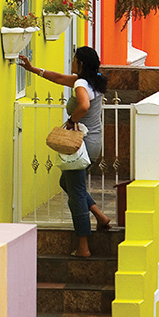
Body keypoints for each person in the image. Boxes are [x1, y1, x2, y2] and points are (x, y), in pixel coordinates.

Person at [19, 46, 112, 256]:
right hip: (94, 142)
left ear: (80, 64)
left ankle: (83, 246)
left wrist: (71, 121)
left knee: (76, 193)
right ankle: (100, 215)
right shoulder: (93, 80)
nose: (71, 62)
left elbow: (84, 106)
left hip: (80, 143)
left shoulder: (81, 84)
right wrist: (34, 70)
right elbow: (60, 78)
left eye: (74, 59)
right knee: (66, 183)